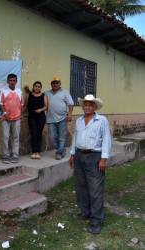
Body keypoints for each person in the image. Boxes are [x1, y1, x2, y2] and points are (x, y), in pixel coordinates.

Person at [69, 94, 111, 234]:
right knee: (81, 187)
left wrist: (104, 159)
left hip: (95, 157)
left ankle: (96, 220)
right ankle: (85, 212)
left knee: (95, 190)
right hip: (80, 156)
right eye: (85, 104)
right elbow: (76, 137)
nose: (87, 107)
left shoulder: (101, 120)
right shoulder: (79, 120)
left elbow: (106, 139)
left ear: (94, 106)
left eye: (90, 104)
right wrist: (72, 153)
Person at [45, 77, 74, 160]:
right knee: (52, 137)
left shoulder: (65, 92)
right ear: (51, 84)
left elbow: (71, 104)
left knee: (61, 137)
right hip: (50, 119)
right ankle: (62, 149)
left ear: (60, 84)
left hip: (62, 118)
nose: (55, 84)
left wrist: (70, 114)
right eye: (53, 83)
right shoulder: (47, 93)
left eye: (57, 83)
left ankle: (59, 153)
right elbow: (38, 95)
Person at [0, 73, 24, 164]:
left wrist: (20, 114)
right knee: (5, 137)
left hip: (17, 118)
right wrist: (5, 114)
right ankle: (5, 155)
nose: (12, 82)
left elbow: (22, 104)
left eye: (14, 80)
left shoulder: (19, 91)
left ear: (16, 81)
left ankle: (15, 155)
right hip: (6, 118)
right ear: (7, 81)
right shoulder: (3, 91)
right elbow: (1, 104)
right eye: (10, 80)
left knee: (16, 137)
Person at [25, 81, 48, 159]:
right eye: (36, 86)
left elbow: (46, 106)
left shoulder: (44, 95)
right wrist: (21, 114)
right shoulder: (29, 95)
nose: (37, 87)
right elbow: (25, 105)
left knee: (39, 134)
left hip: (41, 117)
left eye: (39, 86)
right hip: (31, 117)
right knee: (33, 134)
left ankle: (37, 152)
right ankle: (34, 152)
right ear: (33, 87)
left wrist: (41, 110)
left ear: (41, 88)